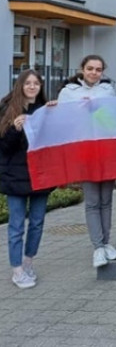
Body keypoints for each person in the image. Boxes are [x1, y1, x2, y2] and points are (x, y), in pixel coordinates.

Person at [57, 55, 116, 268]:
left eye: (98, 69)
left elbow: (113, 117)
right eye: (90, 68)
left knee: (106, 200)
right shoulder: (68, 92)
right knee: (92, 201)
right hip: (84, 151)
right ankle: (97, 246)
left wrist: (97, 108)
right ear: (82, 69)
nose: (94, 72)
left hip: (105, 151)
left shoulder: (107, 90)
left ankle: (106, 242)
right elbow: (63, 119)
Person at [0, 70, 53, 288]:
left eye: (36, 83)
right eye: (28, 83)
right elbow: (3, 148)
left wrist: (56, 113)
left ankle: (28, 262)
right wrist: (14, 129)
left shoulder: (46, 110)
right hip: (15, 177)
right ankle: (17, 270)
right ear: (20, 85)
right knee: (16, 225)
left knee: (38, 223)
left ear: (41, 87)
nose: (32, 87)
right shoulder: (7, 110)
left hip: (41, 176)